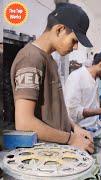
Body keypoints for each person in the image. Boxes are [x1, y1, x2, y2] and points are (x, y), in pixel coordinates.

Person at [11, 3, 94, 153]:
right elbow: (24, 122)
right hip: (41, 157)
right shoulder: (31, 59)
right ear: (60, 30)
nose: (75, 47)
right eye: (74, 40)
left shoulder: (50, 60)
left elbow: (54, 110)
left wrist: (74, 128)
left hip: (56, 151)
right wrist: (71, 139)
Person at [64, 51, 101, 132]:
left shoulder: (95, 79)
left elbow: (93, 104)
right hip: (80, 130)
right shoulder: (77, 77)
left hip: (94, 127)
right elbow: (73, 112)